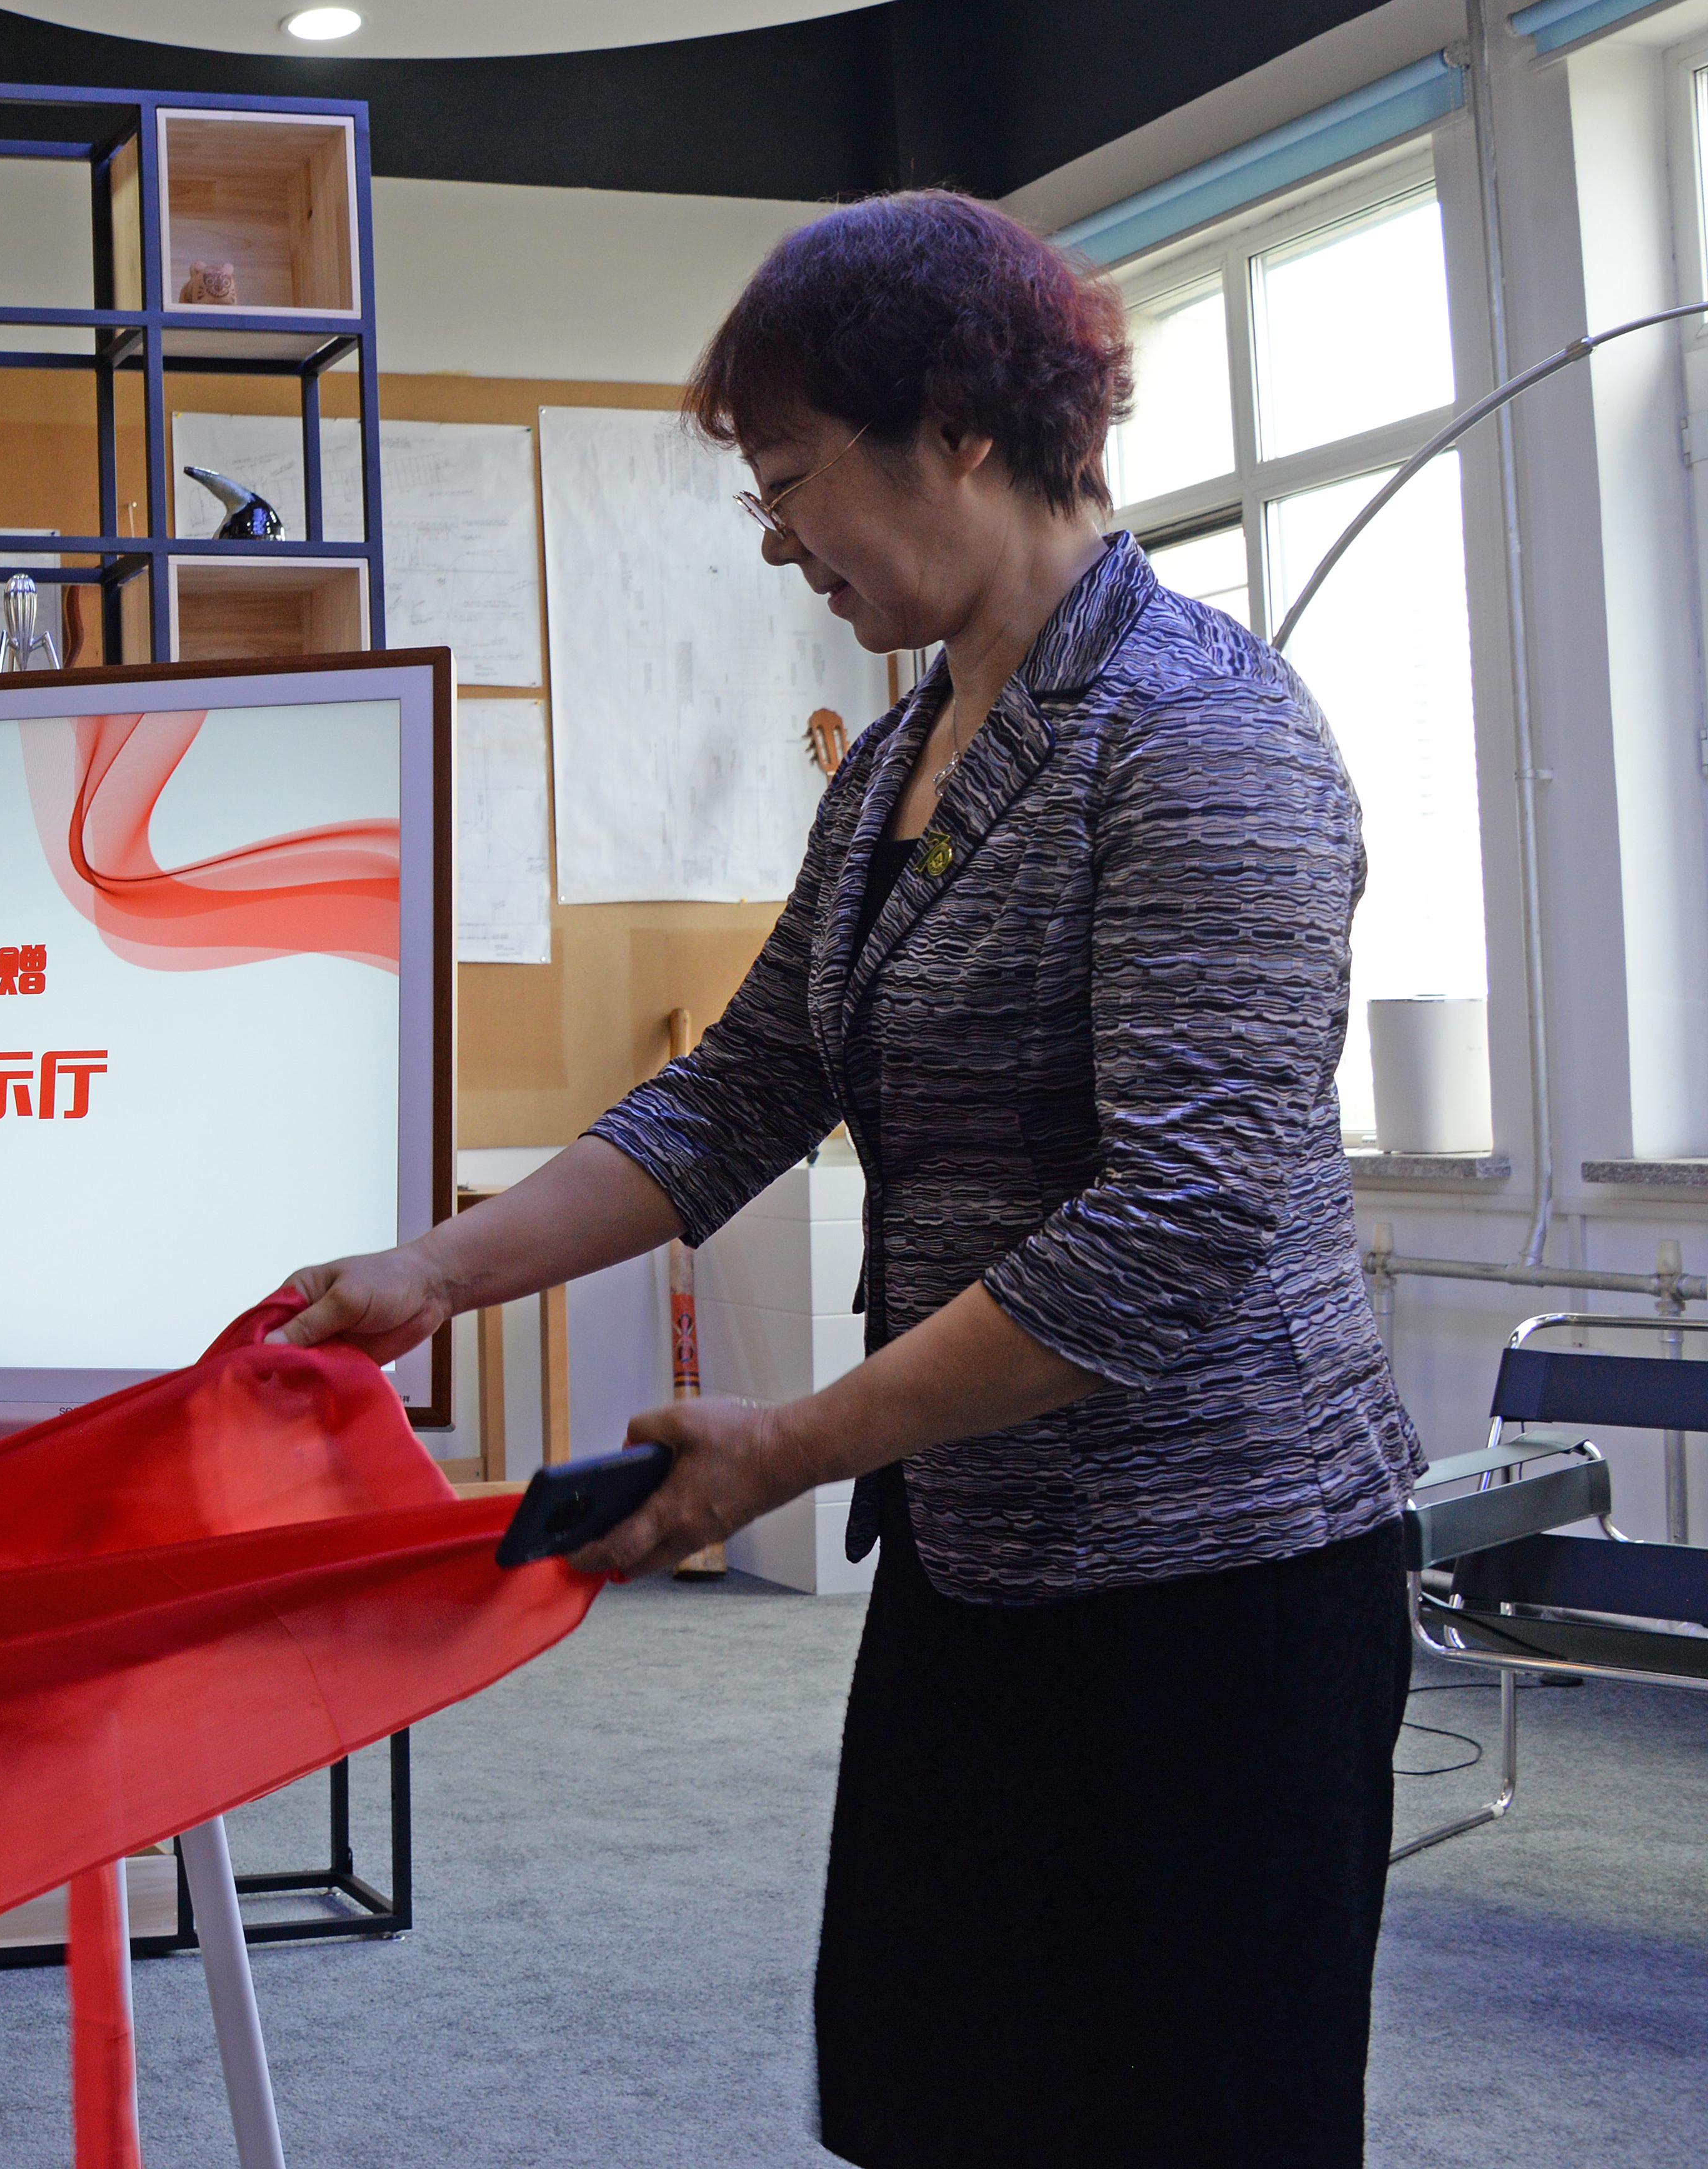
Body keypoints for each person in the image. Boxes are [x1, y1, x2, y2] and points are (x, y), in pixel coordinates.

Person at [276, 193, 1421, 2166]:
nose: (778, 539)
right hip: (980, 1550)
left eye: (796, 478)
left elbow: (1176, 1230)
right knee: (933, 2098)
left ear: (961, 430)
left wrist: (791, 1445)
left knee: (1182, 2122)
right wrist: (439, 1275)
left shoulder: (1202, 737)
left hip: (1215, 1580)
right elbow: (742, 1091)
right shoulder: (898, 764)